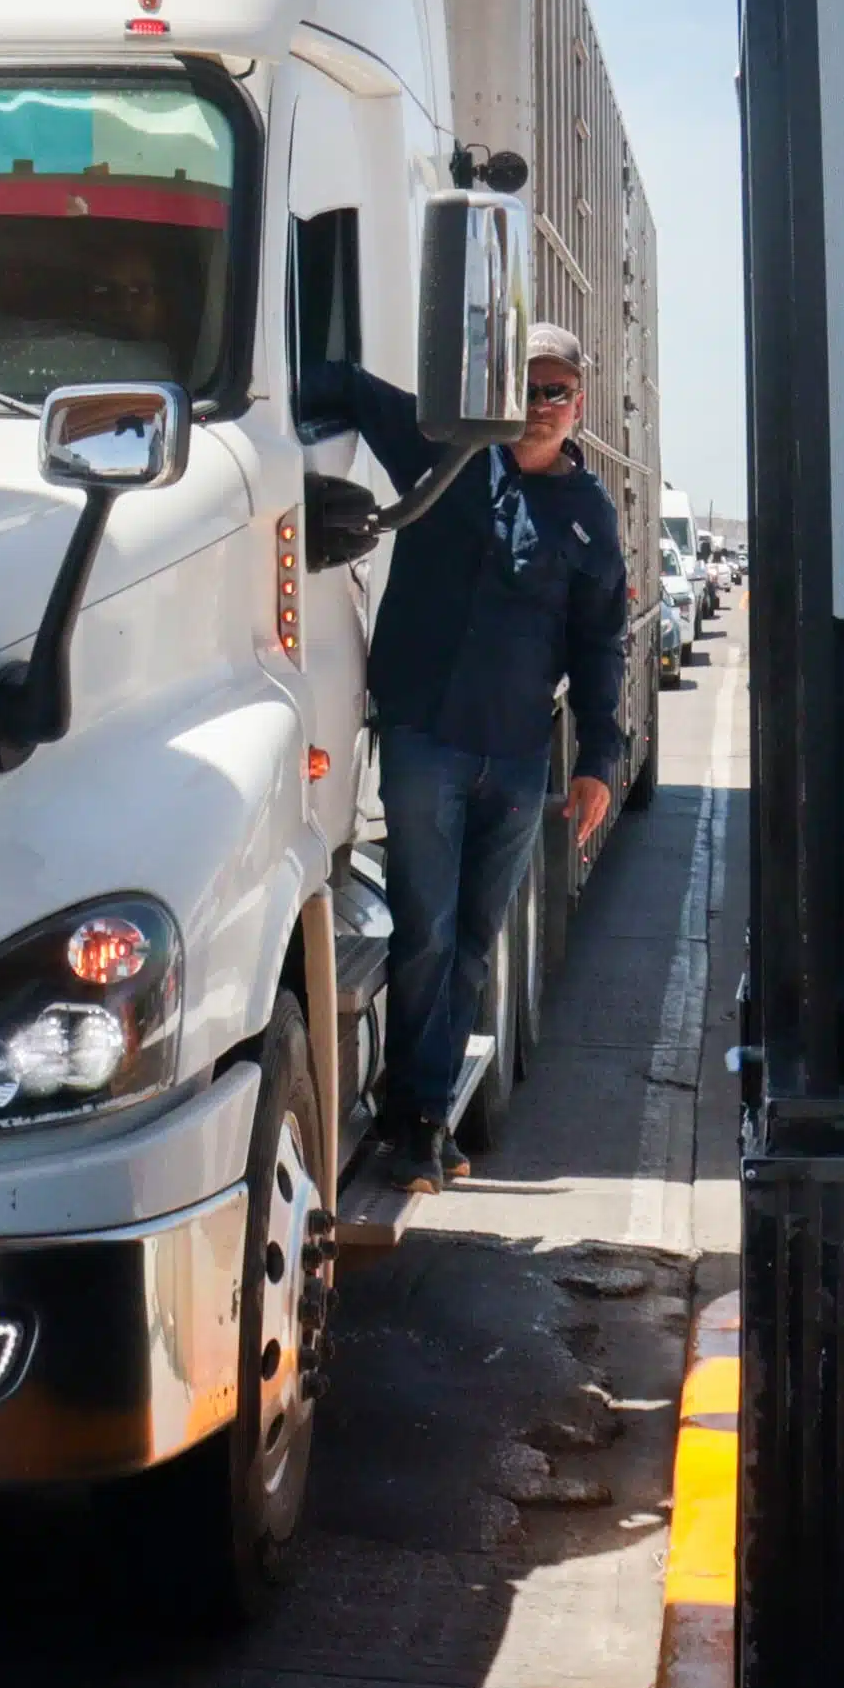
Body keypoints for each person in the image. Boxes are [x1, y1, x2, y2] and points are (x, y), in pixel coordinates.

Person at [304, 321, 631, 1185]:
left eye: (555, 392)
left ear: (578, 406)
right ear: (493, 392)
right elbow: (340, 382)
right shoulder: (441, 453)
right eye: (523, 388)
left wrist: (599, 758)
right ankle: (415, 1122)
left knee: (474, 944)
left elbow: (602, 647)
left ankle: (429, 1107)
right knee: (425, 935)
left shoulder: (592, 517)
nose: (537, 407)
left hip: (519, 765)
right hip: (425, 742)